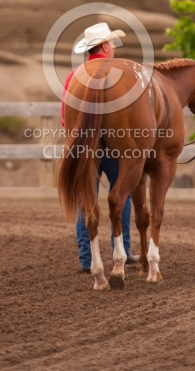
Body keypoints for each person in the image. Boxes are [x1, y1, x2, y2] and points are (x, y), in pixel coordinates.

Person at [61, 22, 139, 272]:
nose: (113, 48)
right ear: (105, 46)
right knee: (122, 195)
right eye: (112, 44)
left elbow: (66, 119)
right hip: (116, 146)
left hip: (84, 147)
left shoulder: (74, 77)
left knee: (86, 199)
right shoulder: (118, 76)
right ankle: (123, 251)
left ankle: (86, 260)